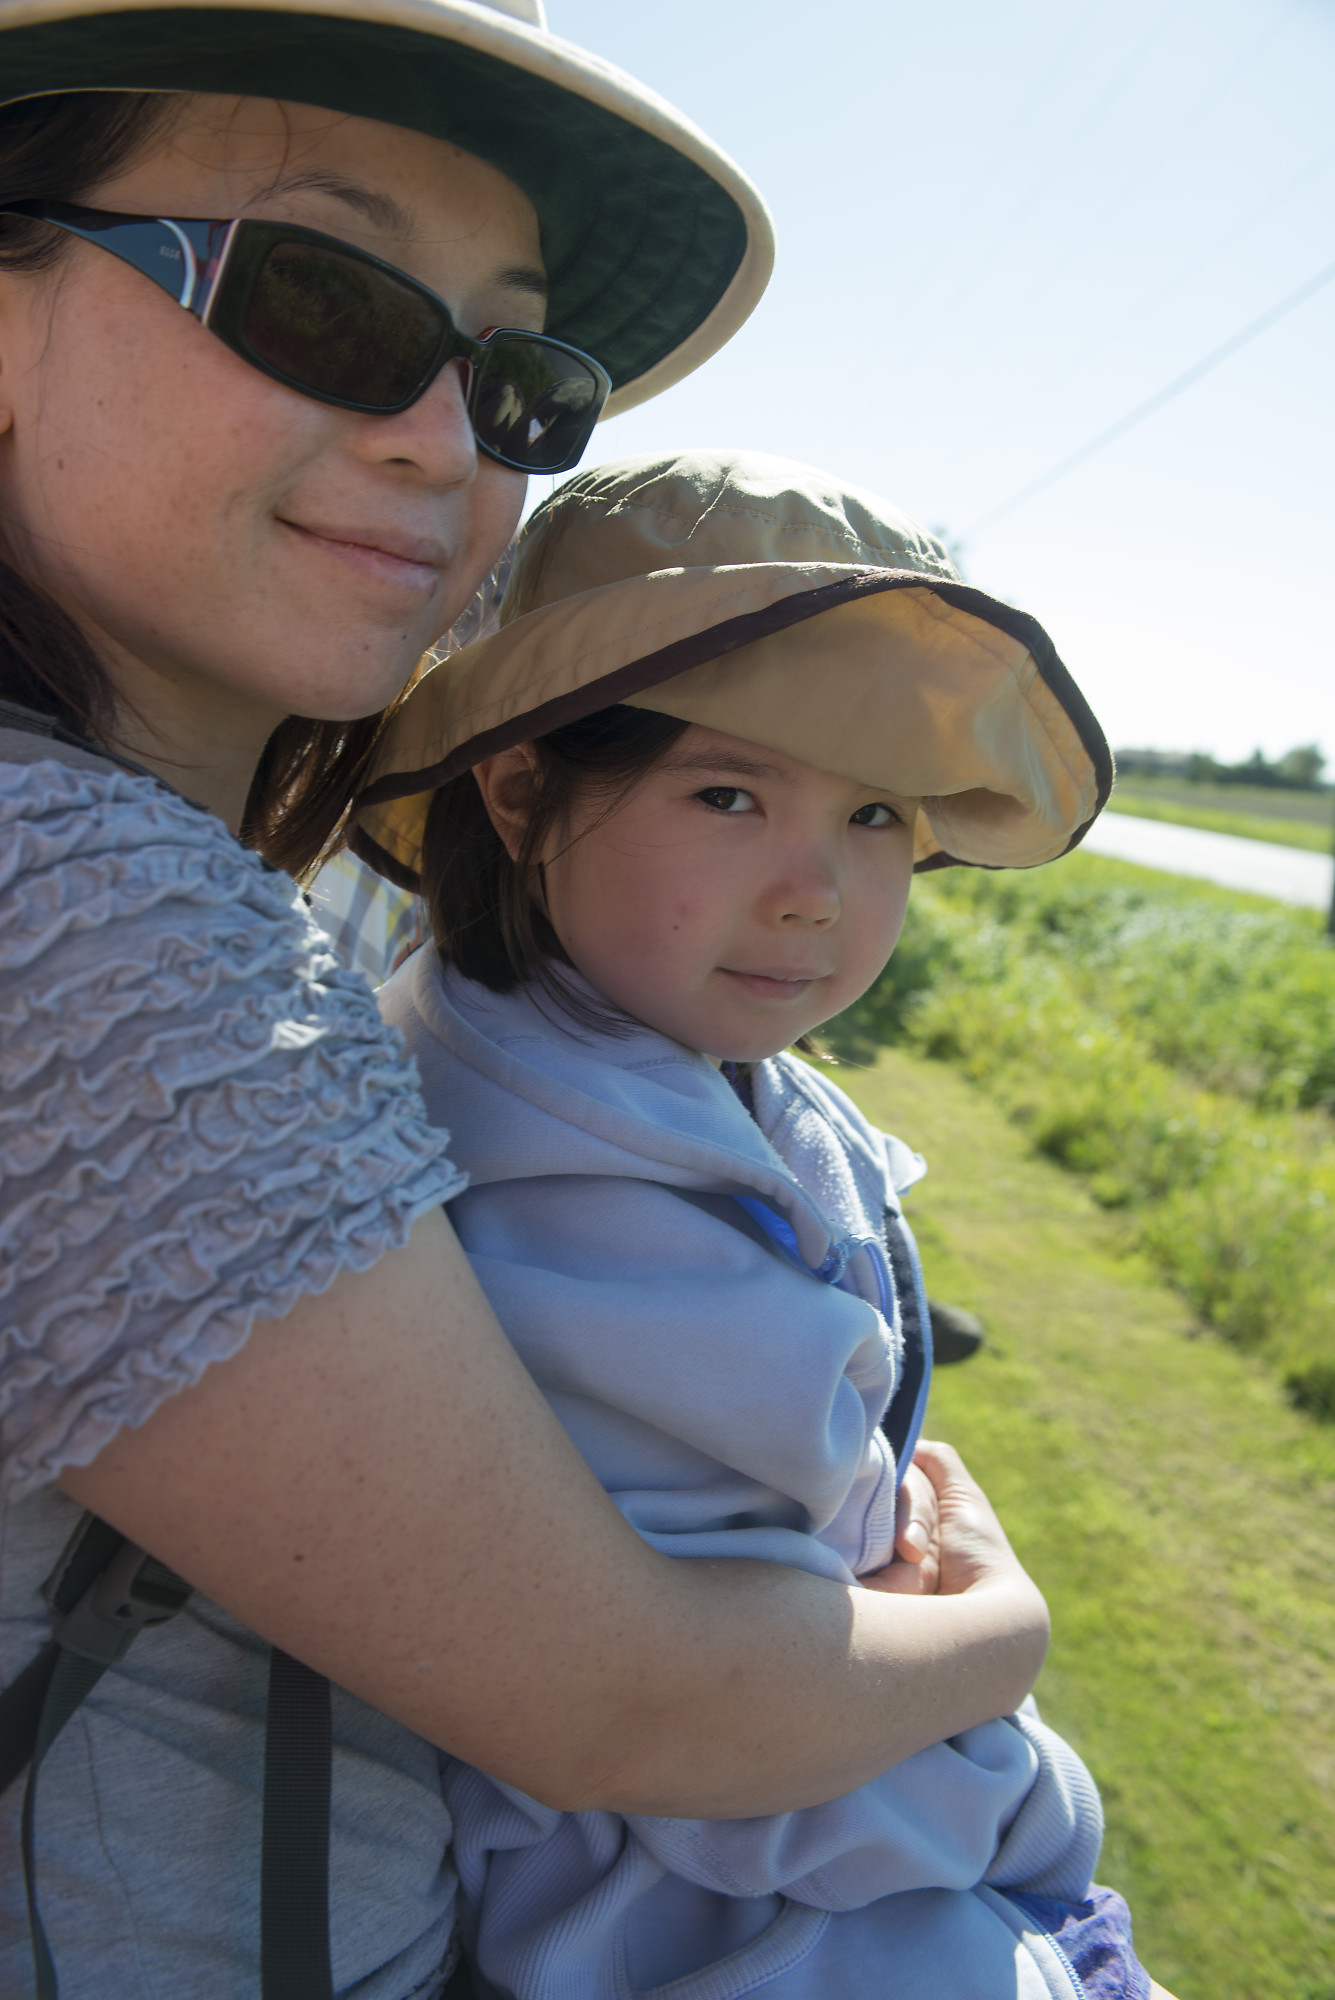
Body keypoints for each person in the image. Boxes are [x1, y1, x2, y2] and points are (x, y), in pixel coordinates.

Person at [0, 14, 1061, 1999]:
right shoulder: (80, 903)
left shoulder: (148, 875)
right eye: (318, 298)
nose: (448, 439)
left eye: (518, 379)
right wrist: (1003, 1630)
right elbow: (632, 1706)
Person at [354, 450, 1171, 1999]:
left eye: (874, 814)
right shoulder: (576, 1209)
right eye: (730, 795)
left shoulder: (609, 1070)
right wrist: (1012, 1737)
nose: (817, 892)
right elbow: (715, 1730)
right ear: (521, 790)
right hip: (760, 1927)